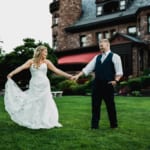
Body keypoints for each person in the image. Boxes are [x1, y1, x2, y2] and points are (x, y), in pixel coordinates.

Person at [4, 45, 72, 129]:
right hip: (34, 84)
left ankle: (46, 120)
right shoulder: (31, 61)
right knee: (33, 102)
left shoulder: (47, 62)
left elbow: (56, 70)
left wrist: (68, 76)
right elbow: (21, 67)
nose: (46, 54)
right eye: (45, 52)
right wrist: (12, 73)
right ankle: (34, 120)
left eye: (46, 52)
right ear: (40, 52)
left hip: (44, 84)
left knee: (45, 102)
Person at [72, 39, 123, 129]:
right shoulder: (97, 57)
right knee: (95, 106)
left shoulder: (115, 57)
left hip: (108, 85)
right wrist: (78, 76)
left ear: (108, 45)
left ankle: (114, 125)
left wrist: (116, 81)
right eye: (99, 46)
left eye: (102, 45)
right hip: (97, 85)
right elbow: (87, 69)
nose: (100, 47)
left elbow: (119, 72)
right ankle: (94, 126)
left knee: (110, 106)